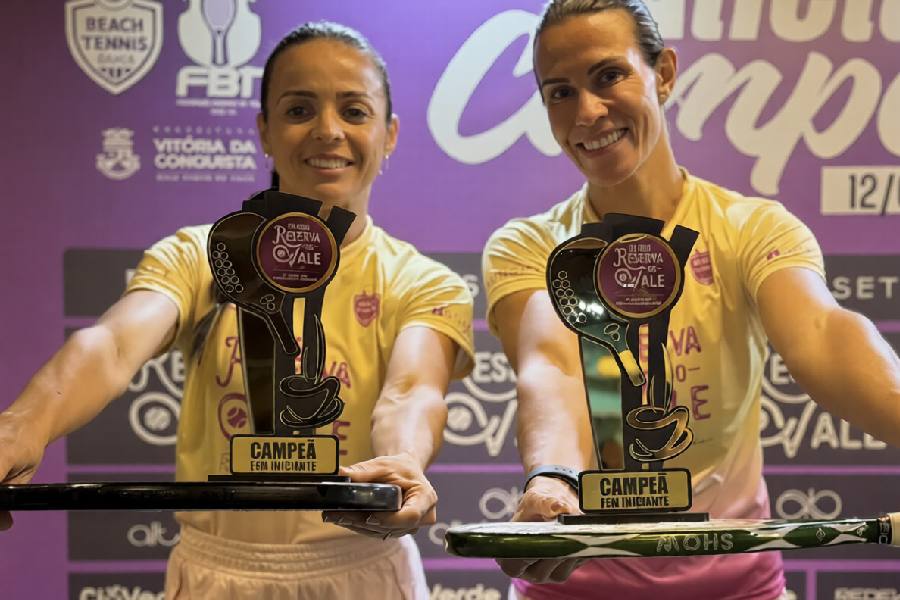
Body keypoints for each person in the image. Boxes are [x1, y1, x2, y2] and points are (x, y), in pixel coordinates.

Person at [0, 21, 474, 599]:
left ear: (390, 134)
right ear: (264, 132)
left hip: (367, 572)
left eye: (354, 111)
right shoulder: (202, 255)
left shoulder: (424, 281)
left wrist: (402, 461)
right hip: (215, 575)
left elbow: (412, 391)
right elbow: (114, 345)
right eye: (299, 109)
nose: (328, 131)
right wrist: (19, 428)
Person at [481, 1, 900, 598]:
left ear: (666, 73)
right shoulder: (527, 245)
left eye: (609, 76)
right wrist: (553, 480)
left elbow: (823, 337)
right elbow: (553, 367)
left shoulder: (752, 227)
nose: (588, 111)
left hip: (738, 584)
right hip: (573, 586)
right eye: (560, 93)